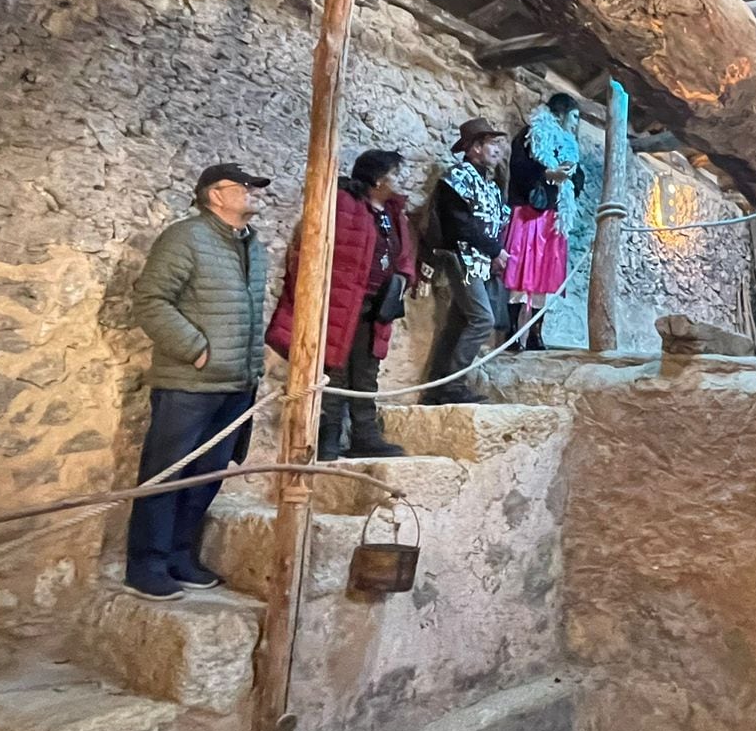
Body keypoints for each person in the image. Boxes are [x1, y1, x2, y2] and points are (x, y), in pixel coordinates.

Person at [126, 161, 270, 600]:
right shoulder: (186, 238)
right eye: (243, 186)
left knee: (207, 476)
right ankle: (146, 564)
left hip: (236, 383)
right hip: (190, 382)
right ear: (215, 194)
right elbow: (150, 301)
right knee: (167, 475)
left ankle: (180, 554)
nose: (252, 193)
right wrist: (196, 348)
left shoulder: (253, 246)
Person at [268, 149, 419, 460]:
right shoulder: (342, 205)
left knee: (365, 373)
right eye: (396, 173)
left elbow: (403, 255)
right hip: (341, 303)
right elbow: (308, 247)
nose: (402, 180)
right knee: (332, 371)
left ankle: (365, 435)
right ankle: (327, 440)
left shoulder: (392, 214)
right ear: (378, 178)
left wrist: (403, 278)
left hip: (376, 308)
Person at [423, 118, 511, 405]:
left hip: (481, 260)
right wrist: (494, 249)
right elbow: (460, 226)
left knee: (458, 323)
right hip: (463, 258)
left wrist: (495, 252)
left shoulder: (491, 185)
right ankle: (453, 384)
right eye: (491, 144)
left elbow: (492, 224)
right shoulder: (457, 179)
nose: (497, 150)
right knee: (482, 319)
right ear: (474, 148)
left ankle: (437, 386)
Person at [504, 94, 586, 352]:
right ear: (561, 113)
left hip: (553, 216)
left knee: (543, 277)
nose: (575, 124)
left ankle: (535, 335)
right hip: (530, 213)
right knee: (520, 273)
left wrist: (572, 175)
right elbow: (519, 168)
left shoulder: (570, 144)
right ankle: (512, 333)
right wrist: (546, 174)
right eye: (574, 117)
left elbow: (577, 179)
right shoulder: (531, 134)